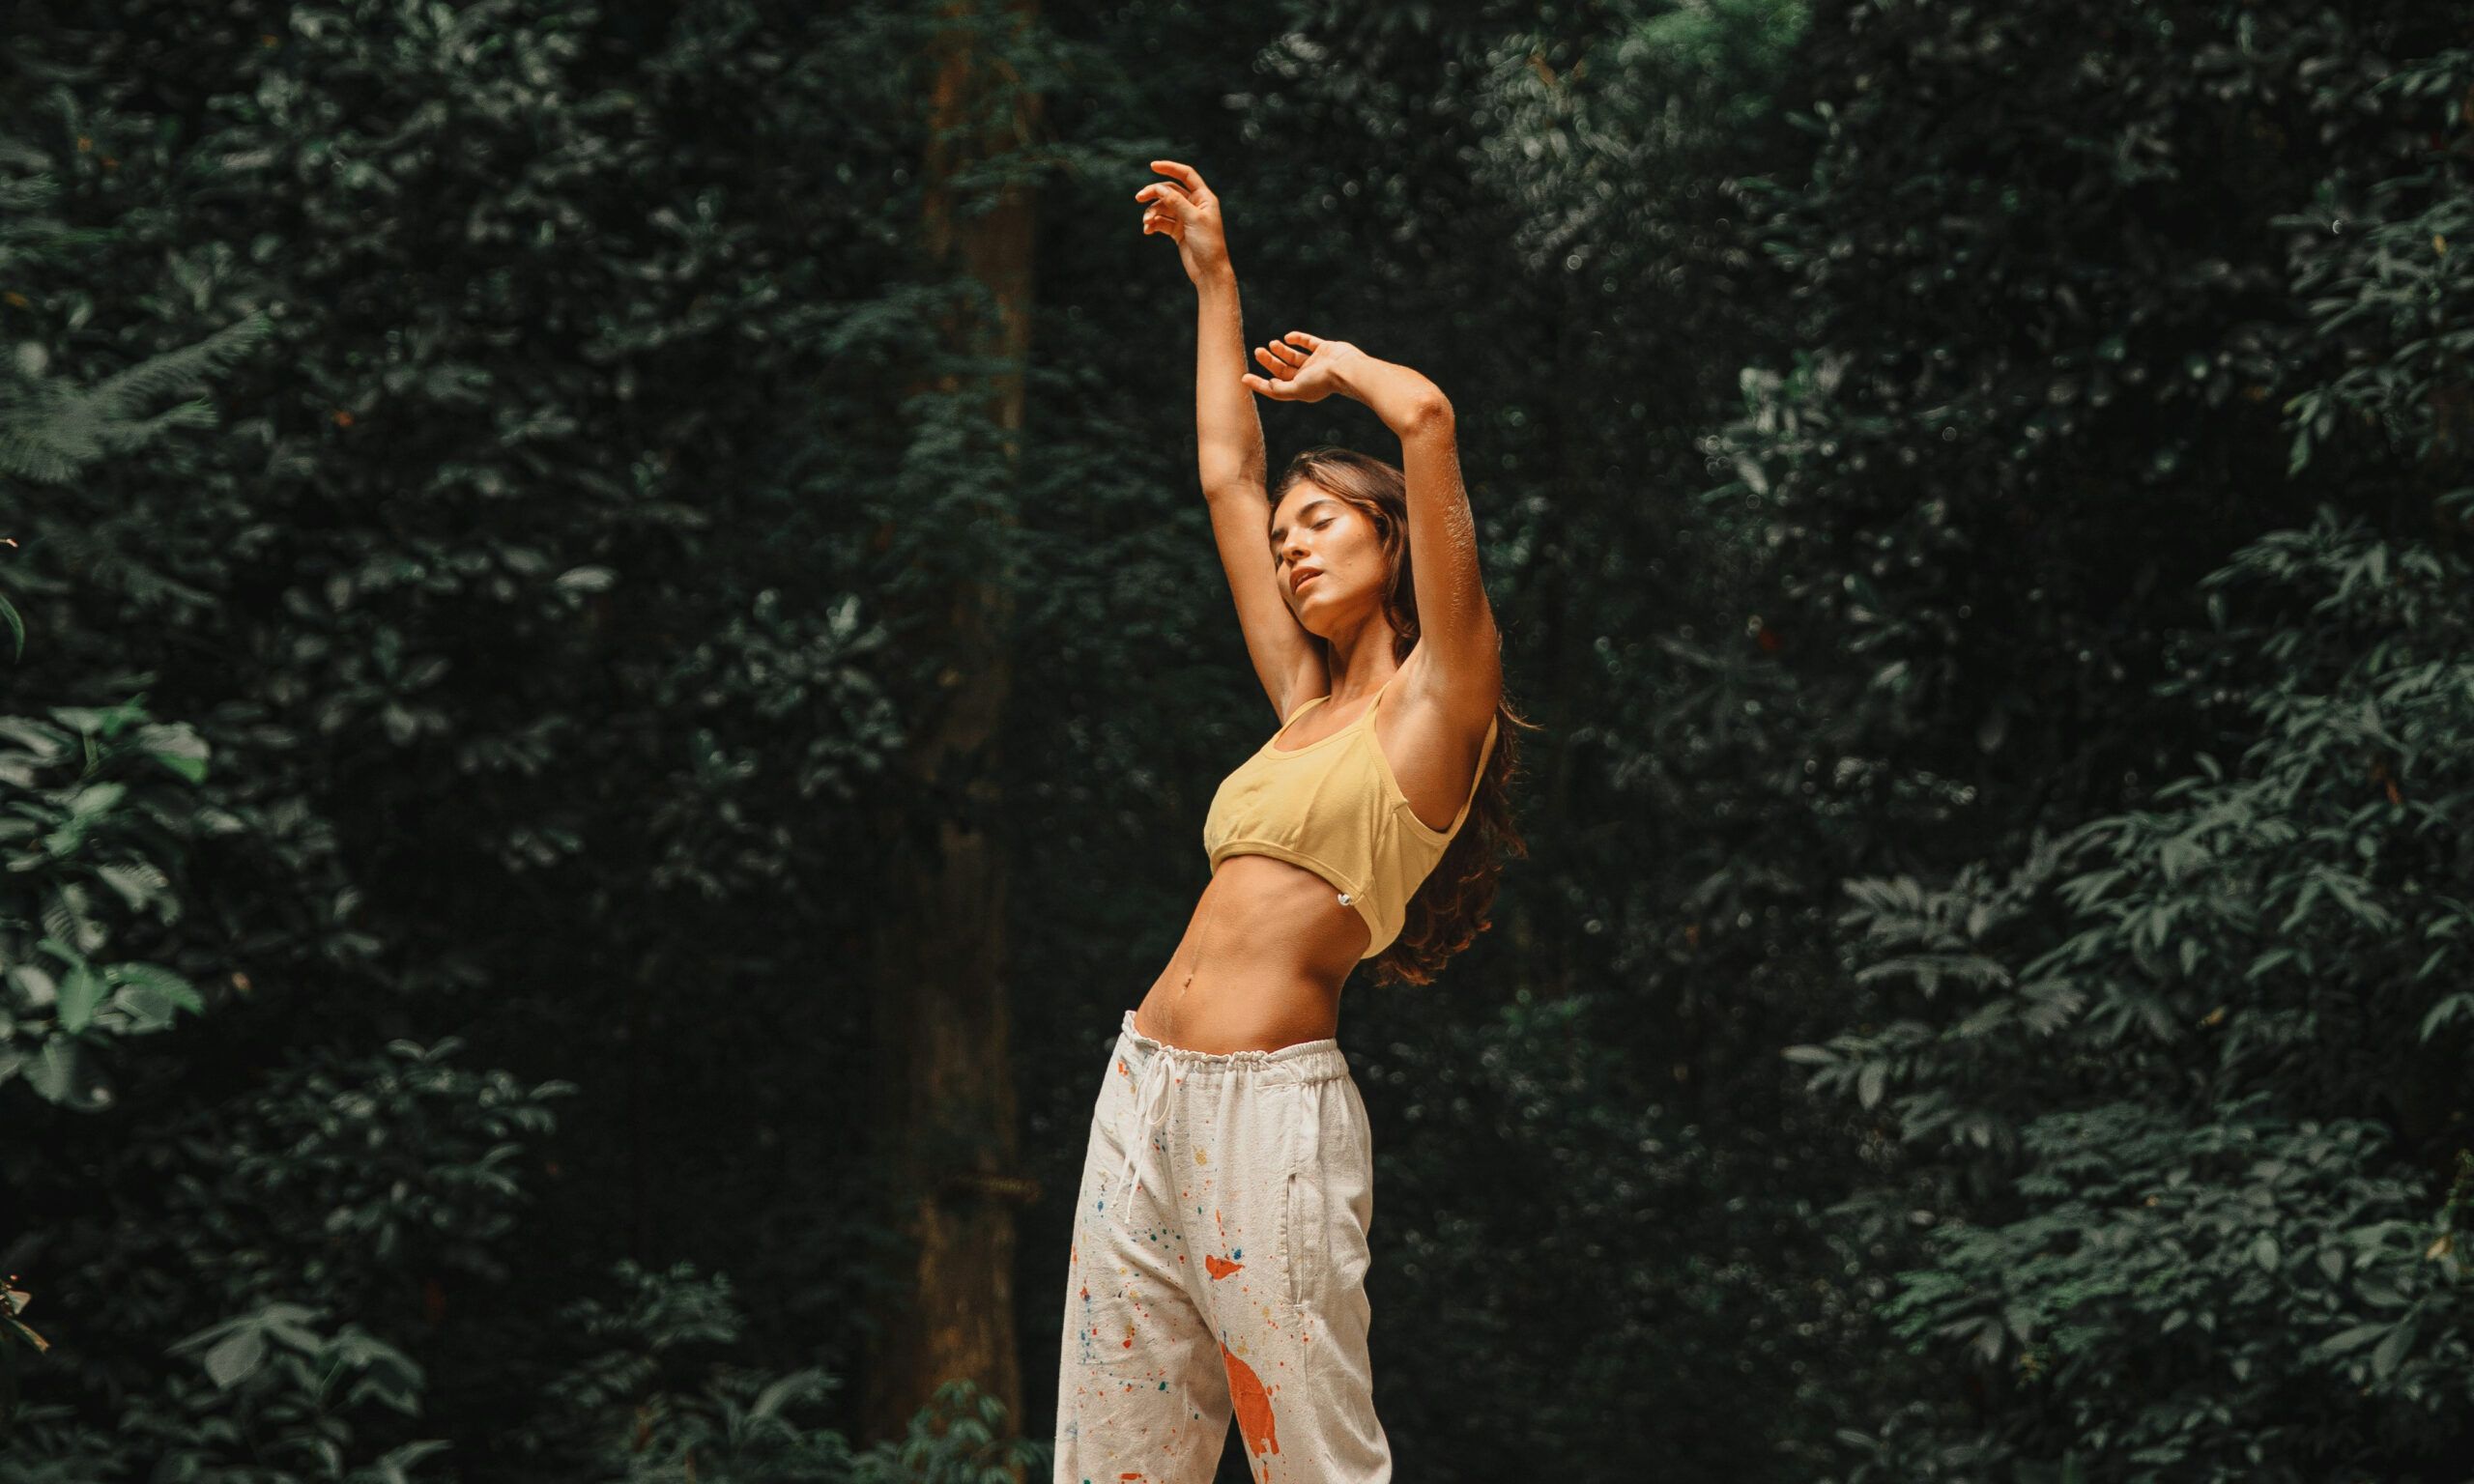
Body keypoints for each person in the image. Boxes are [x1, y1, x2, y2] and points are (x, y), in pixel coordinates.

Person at [1051, 159, 1528, 1484]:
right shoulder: (1299, 705)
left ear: (1392, 542)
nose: (1294, 548)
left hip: (1271, 1120)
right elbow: (1223, 472)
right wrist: (1212, 276)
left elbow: (1425, 417)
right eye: (1288, 540)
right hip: (1142, 1081)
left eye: (1322, 525)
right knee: (1114, 1463)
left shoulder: (1439, 710)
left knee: (1317, 1464)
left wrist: (1349, 370)